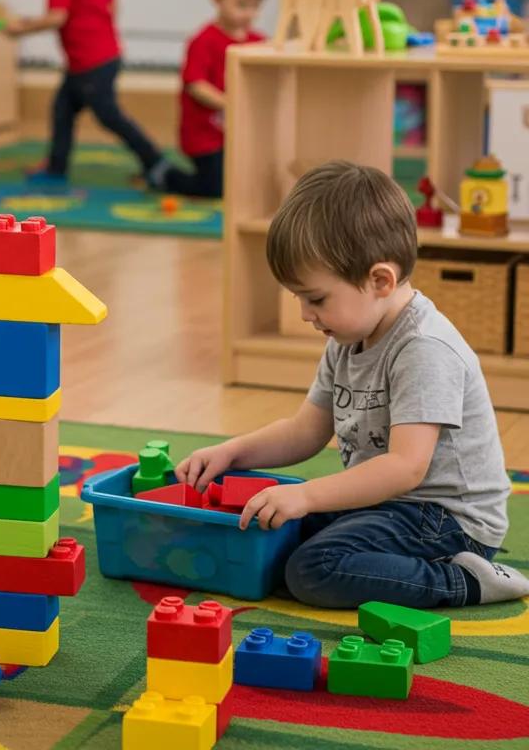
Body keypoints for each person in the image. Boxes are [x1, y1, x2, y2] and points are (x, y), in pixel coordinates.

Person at [175, 161, 527, 608]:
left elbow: (405, 468)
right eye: (299, 298)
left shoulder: (424, 348)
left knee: (312, 569)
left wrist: (306, 494)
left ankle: (465, 581)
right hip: (392, 503)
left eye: (316, 298)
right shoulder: (349, 337)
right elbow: (305, 431)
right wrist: (231, 452)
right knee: (277, 525)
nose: (305, 314)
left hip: (448, 520)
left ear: (380, 280)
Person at [8, 0, 169, 187]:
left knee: (109, 116)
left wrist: (22, 28)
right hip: (99, 58)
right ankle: (57, 166)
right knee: (63, 109)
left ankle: (155, 161)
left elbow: (57, 16)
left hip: (91, 63)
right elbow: (112, 4)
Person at [164, 0, 267, 198]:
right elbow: (195, 84)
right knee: (213, 188)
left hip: (240, 135)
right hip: (205, 138)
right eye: (241, 4)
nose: (248, 13)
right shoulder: (203, 41)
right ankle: (166, 175)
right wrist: (230, 103)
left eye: (255, 6)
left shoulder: (259, 42)